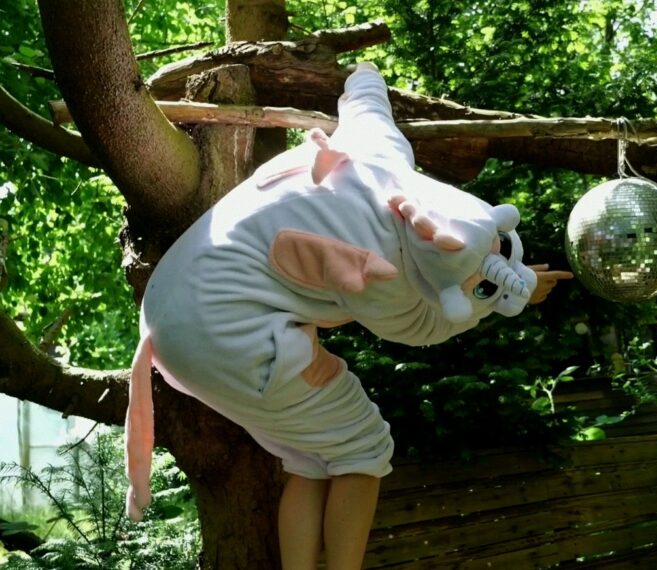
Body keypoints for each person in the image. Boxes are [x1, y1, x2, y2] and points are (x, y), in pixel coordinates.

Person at [122, 62, 573, 570]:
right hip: (224, 332)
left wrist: (365, 73)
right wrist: (503, 299)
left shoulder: (381, 155)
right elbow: (424, 328)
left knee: (311, 458)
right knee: (363, 446)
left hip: (170, 322)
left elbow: (366, 105)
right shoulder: (383, 265)